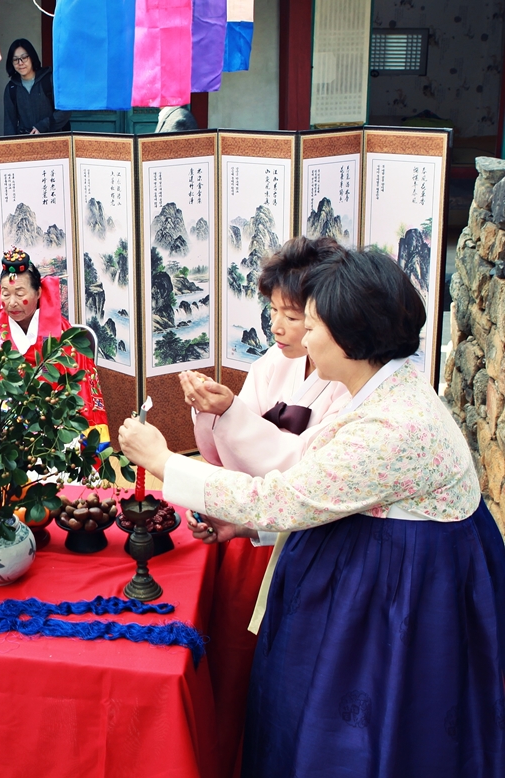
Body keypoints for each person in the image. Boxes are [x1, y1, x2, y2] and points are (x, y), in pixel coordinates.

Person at [118, 247, 505, 778]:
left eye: (313, 323)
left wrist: (162, 461)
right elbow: (321, 492)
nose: (304, 337)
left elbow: (283, 496)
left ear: (351, 337)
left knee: (357, 738)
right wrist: (245, 527)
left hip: (394, 605)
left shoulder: (390, 428)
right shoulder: (384, 388)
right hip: (367, 572)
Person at [178, 236, 351, 778]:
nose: (278, 326)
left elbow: (294, 469)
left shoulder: (348, 382)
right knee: (230, 663)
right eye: (273, 311)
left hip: (293, 538)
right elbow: (227, 456)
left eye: (293, 315)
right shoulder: (272, 364)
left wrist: (231, 416)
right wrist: (211, 414)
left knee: (276, 677)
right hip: (246, 533)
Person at [0, 248, 109, 438]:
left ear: (39, 292)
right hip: (0, 415)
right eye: (6, 294)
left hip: (50, 414)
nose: (12, 302)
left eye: (19, 293)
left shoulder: (60, 331)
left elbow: (78, 383)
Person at [2, 39, 69, 136]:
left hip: (54, 142)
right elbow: (9, 124)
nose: (20, 63)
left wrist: (42, 126)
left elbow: (65, 110)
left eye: (24, 57)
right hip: (26, 144)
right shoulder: (12, 88)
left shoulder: (49, 80)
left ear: (32, 57)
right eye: (15, 59)